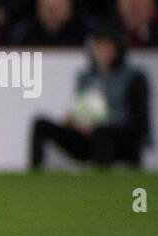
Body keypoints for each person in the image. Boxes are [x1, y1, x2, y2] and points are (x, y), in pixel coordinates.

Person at [30, 26, 150, 169]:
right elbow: (83, 109)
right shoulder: (86, 77)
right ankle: (35, 173)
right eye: (97, 47)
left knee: (102, 134)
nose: (101, 52)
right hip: (87, 137)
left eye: (106, 46)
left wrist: (98, 124)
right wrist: (74, 119)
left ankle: (102, 181)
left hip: (118, 139)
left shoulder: (133, 77)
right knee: (41, 123)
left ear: (117, 48)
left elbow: (136, 119)